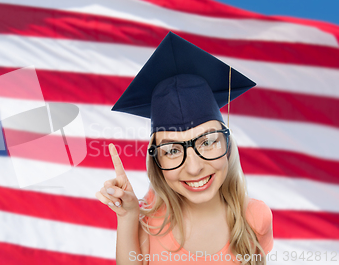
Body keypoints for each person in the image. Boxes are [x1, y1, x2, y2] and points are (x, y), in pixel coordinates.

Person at [95, 31, 273, 264]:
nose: (194, 168)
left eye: (207, 142)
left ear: (228, 145)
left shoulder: (254, 218)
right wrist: (128, 217)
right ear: (157, 163)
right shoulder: (149, 221)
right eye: (172, 151)